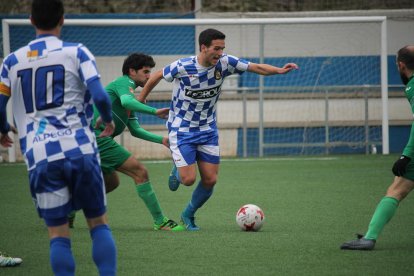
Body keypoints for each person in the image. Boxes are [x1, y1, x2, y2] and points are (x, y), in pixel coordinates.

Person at [138, 28, 299, 231]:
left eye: (223, 48)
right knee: (188, 179)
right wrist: (141, 100)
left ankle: (188, 215)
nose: (220, 53)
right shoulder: (183, 66)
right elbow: (156, 76)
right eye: (216, 48)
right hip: (181, 129)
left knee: (211, 179)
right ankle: (178, 171)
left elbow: (255, 67)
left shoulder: (225, 63)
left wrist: (279, 70)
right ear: (203, 47)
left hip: (208, 129)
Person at [0, 0, 117, 275]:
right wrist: (108, 120)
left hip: (40, 156)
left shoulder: (11, 60)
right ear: (62, 20)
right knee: (99, 224)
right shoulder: (76, 52)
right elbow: (100, 95)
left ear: (31, 20)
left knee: (59, 236)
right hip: (80, 150)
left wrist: (3, 128)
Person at [69, 53, 185, 231]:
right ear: (131, 71)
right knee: (140, 172)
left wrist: (162, 140)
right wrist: (155, 112)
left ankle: (68, 209)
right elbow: (126, 101)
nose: (149, 76)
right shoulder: (124, 83)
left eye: (150, 72)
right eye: (145, 72)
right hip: (95, 137)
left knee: (111, 183)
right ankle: (160, 221)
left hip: (91, 139)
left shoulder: (129, 97)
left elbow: (135, 130)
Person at [341, 45, 414, 250]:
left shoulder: (412, 87)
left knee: (396, 190)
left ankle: (370, 238)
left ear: (401, 65)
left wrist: (406, 155)